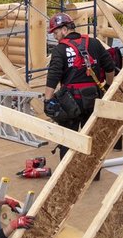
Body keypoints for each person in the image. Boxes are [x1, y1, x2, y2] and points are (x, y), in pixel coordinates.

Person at [43, 12, 118, 160]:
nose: (55, 37)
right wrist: (108, 87)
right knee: (91, 138)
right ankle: (93, 174)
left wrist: (47, 100)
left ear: (65, 29)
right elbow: (110, 67)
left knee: (68, 140)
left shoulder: (60, 50)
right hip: (93, 98)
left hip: (71, 101)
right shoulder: (94, 43)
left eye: (56, 32)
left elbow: (53, 76)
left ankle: (65, 175)